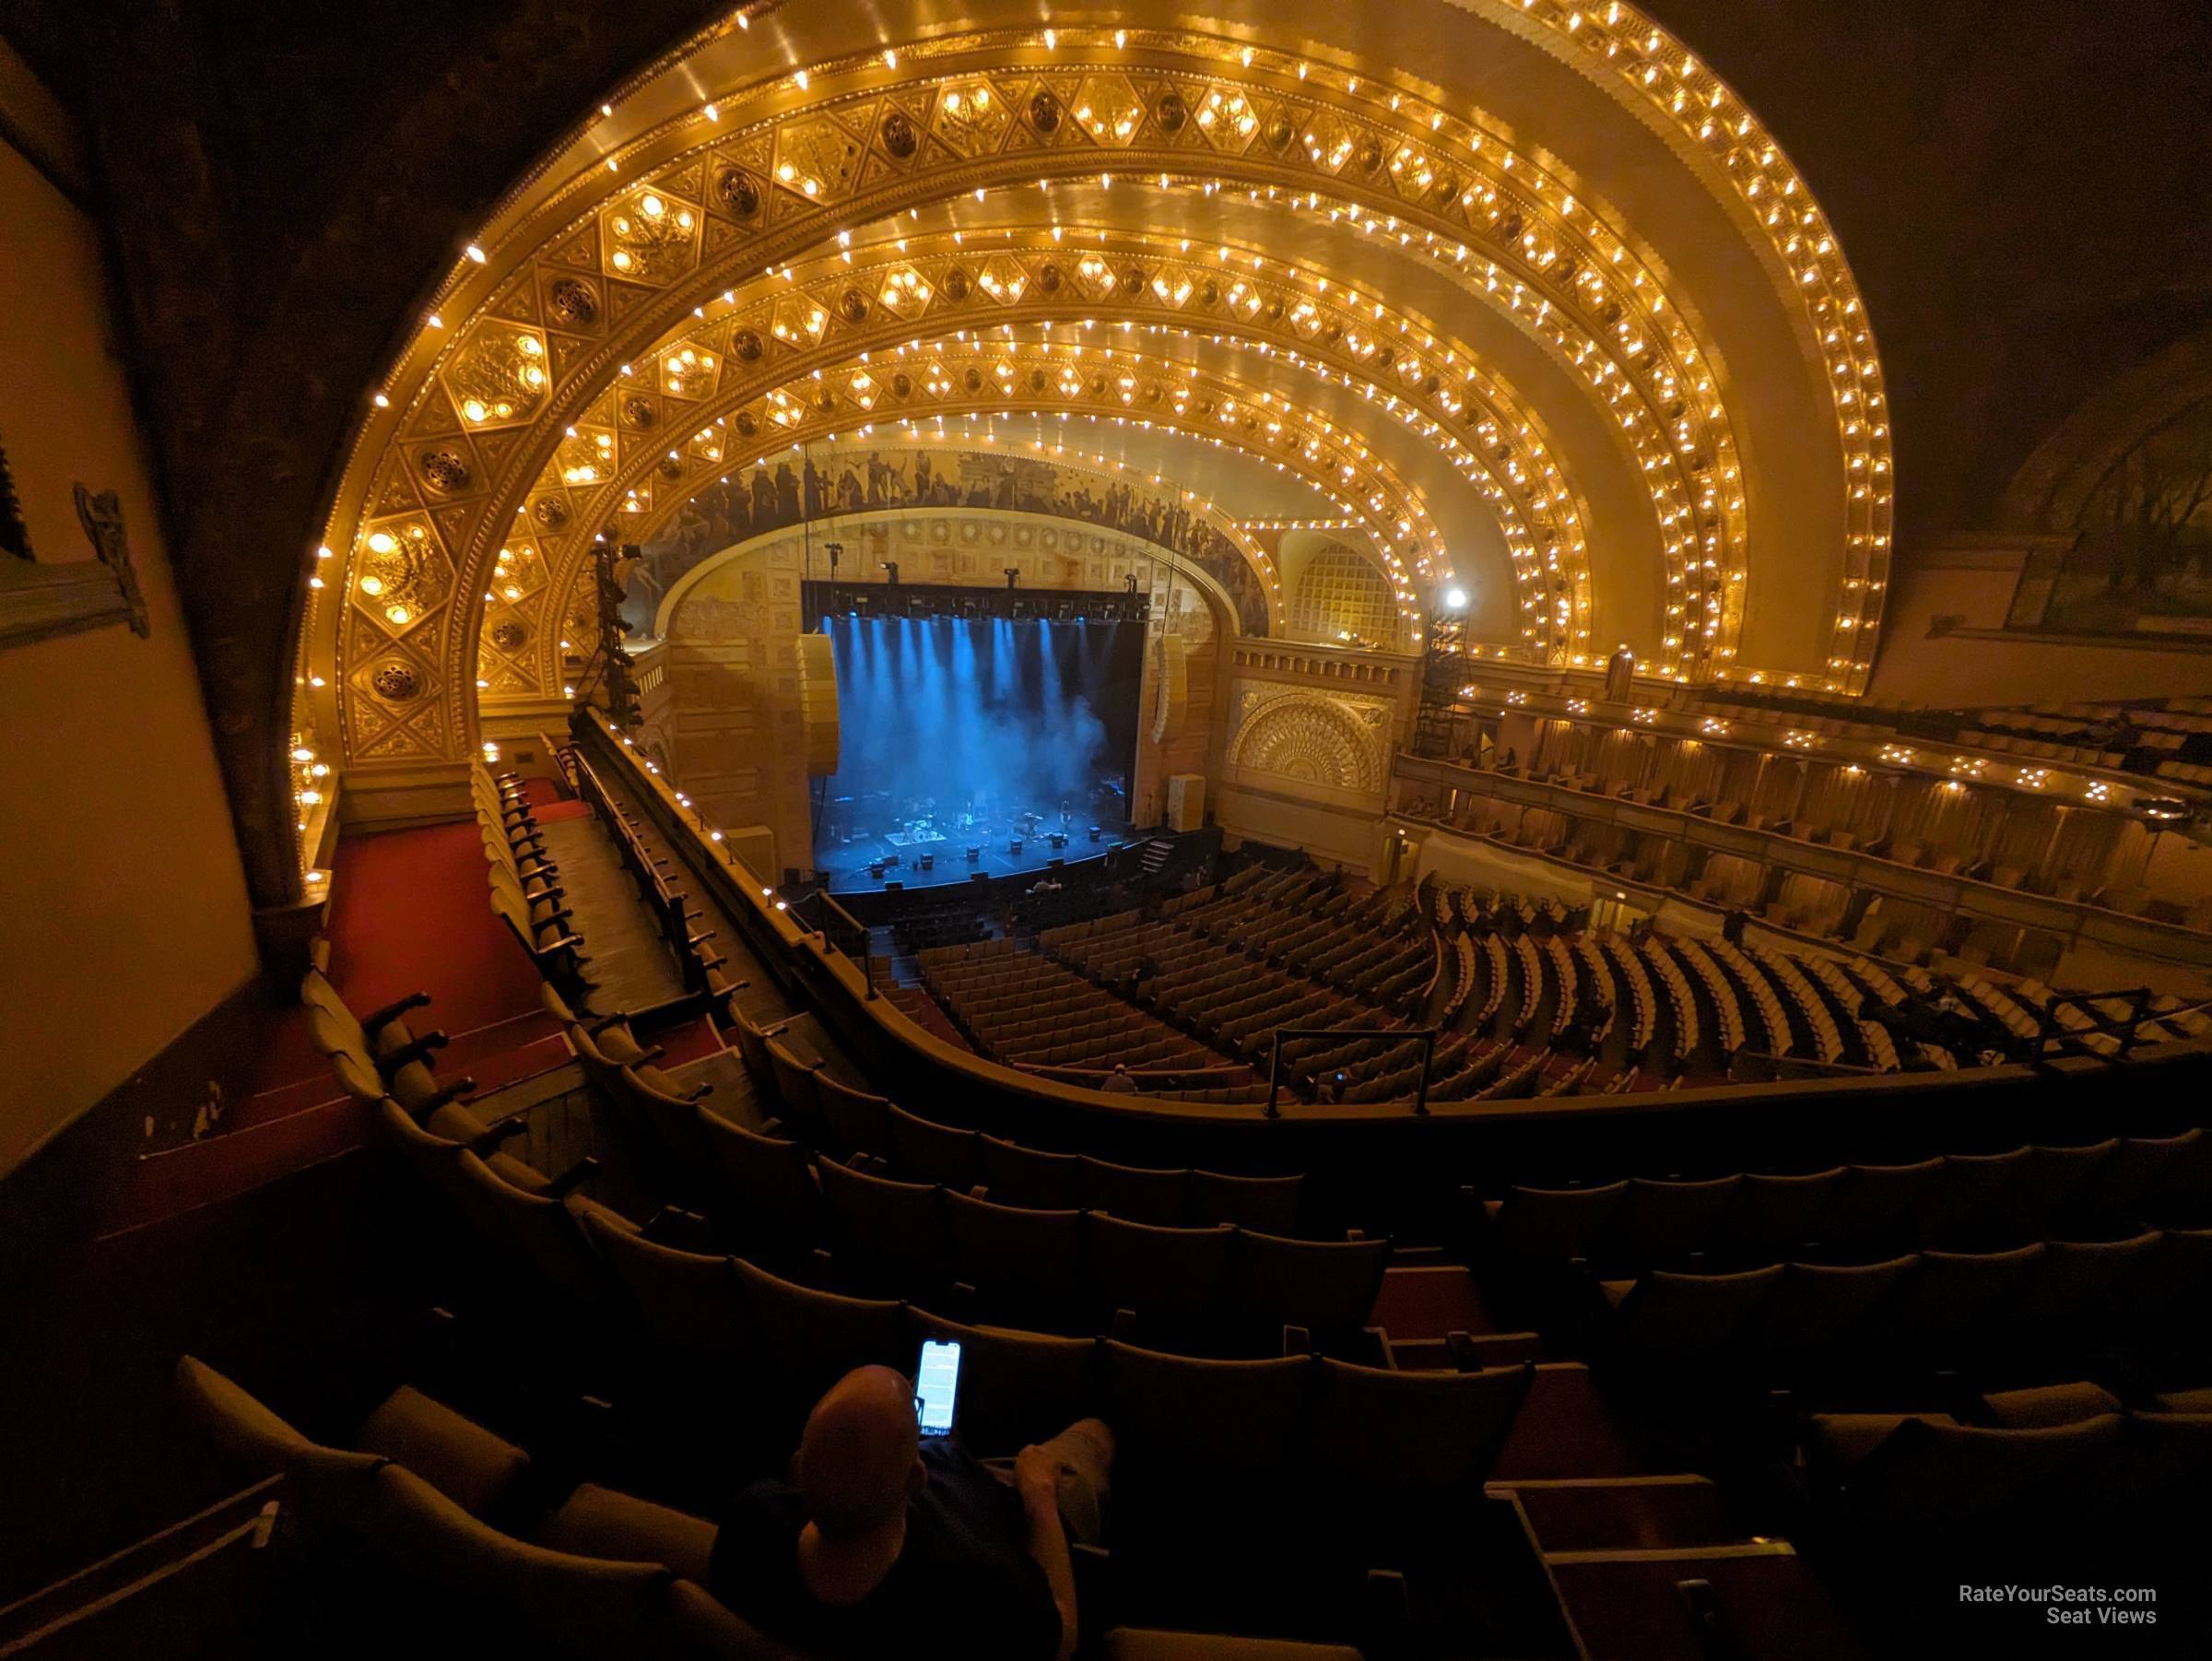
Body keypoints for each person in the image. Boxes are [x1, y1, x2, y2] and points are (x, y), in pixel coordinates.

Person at [712, 1365, 1112, 1661]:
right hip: (1012, 1496)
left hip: (949, 1467)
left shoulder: (750, 1524)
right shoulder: (978, 1590)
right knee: (1092, 1433)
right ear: (915, 1480)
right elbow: (1064, 1637)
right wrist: (1039, 1493)